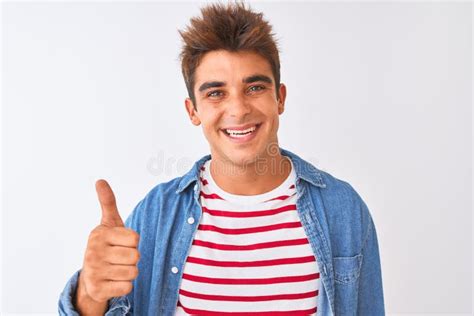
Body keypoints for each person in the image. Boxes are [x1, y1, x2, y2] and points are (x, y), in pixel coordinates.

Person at [59, 2, 385, 315]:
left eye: (254, 87)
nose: (238, 109)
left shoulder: (343, 210)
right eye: (216, 93)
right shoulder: (157, 214)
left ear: (280, 98)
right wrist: (89, 293)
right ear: (193, 111)